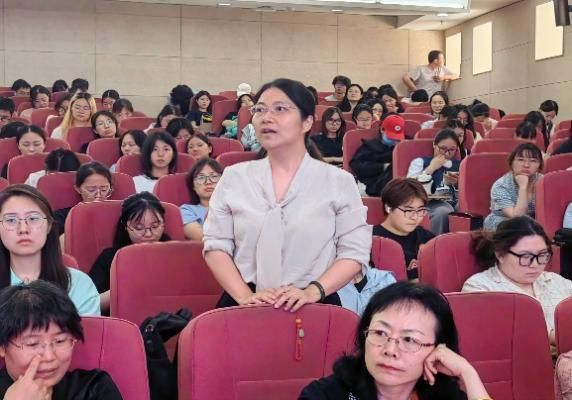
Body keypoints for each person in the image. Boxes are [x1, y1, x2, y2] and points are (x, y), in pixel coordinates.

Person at [203, 78, 371, 311]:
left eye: (280, 109)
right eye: (259, 109)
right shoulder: (233, 178)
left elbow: (354, 251)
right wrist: (244, 296)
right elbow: (216, 244)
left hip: (314, 302)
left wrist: (313, 291)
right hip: (245, 300)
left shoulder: (338, 182)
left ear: (307, 122)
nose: (266, 117)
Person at [300, 281, 490, 400]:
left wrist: (468, 374)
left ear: (438, 349)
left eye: (409, 339)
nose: (390, 350)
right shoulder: (326, 394)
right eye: (380, 333)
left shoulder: (444, 396)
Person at [0, 281, 121, 399]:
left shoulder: (94, 388)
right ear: (2, 347)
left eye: (60, 341)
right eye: (33, 344)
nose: (49, 356)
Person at [464, 216, 571, 342]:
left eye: (542, 255)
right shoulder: (480, 288)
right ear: (500, 254)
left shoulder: (555, 280)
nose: (535, 264)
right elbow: (511, 333)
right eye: (525, 256)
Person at [0, 185, 100, 316]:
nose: (23, 229)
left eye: (33, 219)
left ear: (49, 226)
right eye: (11, 220)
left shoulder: (78, 284)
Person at [89, 192, 169, 313]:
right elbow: (90, 305)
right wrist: (126, 286)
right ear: (125, 226)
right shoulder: (110, 257)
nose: (148, 234)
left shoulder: (175, 256)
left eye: (155, 226)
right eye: (139, 228)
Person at [373, 178, 435, 280]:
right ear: (388, 208)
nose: (415, 217)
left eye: (420, 210)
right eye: (408, 211)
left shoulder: (427, 239)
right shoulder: (371, 241)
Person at [407, 129, 460, 235]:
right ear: (434, 145)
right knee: (442, 211)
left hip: (453, 201)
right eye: (443, 148)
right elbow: (408, 188)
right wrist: (431, 168)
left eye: (452, 149)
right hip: (428, 203)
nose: (447, 153)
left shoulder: (459, 165)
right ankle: (433, 242)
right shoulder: (420, 162)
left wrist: (457, 183)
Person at [483, 143, 543, 230]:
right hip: (504, 223)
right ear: (512, 163)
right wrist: (523, 187)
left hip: (532, 223)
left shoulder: (543, 182)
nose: (526, 165)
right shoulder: (501, 185)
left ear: (539, 165)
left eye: (533, 161)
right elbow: (517, 218)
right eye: (521, 160)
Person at [351, 114, 406, 197]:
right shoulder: (369, 146)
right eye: (391, 137)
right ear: (382, 130)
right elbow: (356, 165)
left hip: (400, 184)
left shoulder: (404, 145)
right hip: (374, 184)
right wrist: (382, 167)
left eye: (397, 138)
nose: (394, 140)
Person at [53, 161, 113, 236]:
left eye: (104, 189)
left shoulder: (118, 214)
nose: (98, 195)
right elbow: (55, 241)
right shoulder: (62, 216)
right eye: (91, 190)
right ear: (78, 189)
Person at [181, 158, 223, 241]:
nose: (208, 182)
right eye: (201, 178)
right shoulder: (186, 210)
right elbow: (203, 238)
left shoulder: (234, 206)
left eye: (214, 176)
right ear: (193, 186)